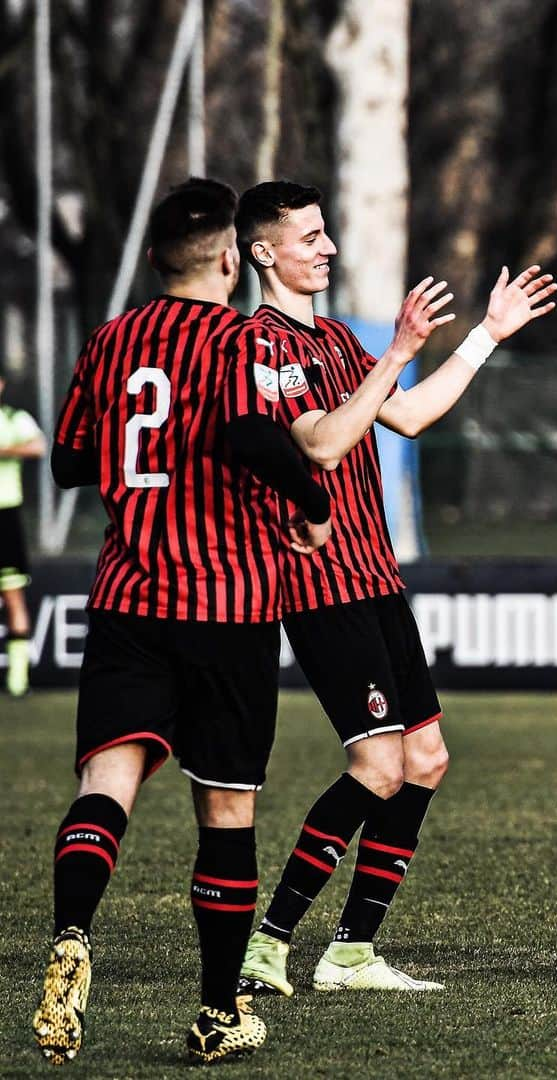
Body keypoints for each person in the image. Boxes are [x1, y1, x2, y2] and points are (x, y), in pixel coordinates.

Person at [230, 181, 557, 996]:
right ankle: (265, 945)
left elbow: (405, 418)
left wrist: (484, 334)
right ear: (264, 252)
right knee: (378, 767)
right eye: (309, 237)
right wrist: (398, 352)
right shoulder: (260, 346)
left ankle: (350, 952)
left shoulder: (338, 339)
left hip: (375, 578)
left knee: (426, 757)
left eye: (327, 233)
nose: (327, 247)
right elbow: (327, 445)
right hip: (317, 583)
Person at [33, 178, 331, 1065]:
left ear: (158, 260)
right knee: (226, 814)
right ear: (234, 259)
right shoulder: (240, 338)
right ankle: (216, 1012)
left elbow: (70, 459)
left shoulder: (113, 339)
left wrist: (147, 457)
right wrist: (311, 500)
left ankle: (74, 936)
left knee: (105, 785)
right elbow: (247, 434)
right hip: (228, 601)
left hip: (128, 595)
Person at [0, 366, 46, 696]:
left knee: (13, 597)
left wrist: (4, 451)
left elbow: (38, 447)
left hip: (5, 515)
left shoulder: (14, 418)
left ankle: (18, 680)